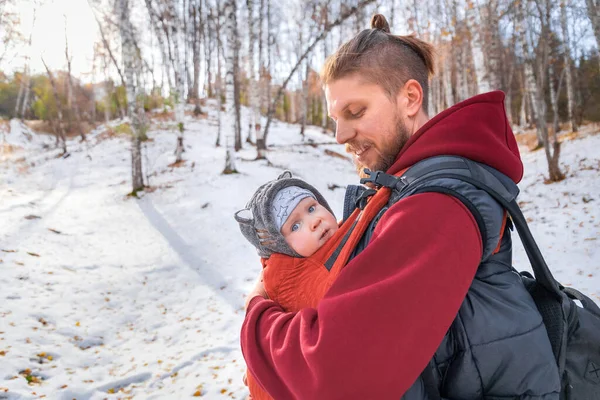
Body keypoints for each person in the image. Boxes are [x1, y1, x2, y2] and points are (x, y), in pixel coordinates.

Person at [240, 13, 561, 400]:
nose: (340, 135)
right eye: (335, 118)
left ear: (410, 98)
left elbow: (337, 376)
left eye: (355, 112)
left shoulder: (437, 204)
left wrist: (257, 315)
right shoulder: (402, 186)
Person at [235, 171, 393, 400]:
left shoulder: (322, 252)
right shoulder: (289, 279)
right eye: (295, 226)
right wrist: (378, 199)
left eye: (311, 208)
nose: (315, 221)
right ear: (280, 247)